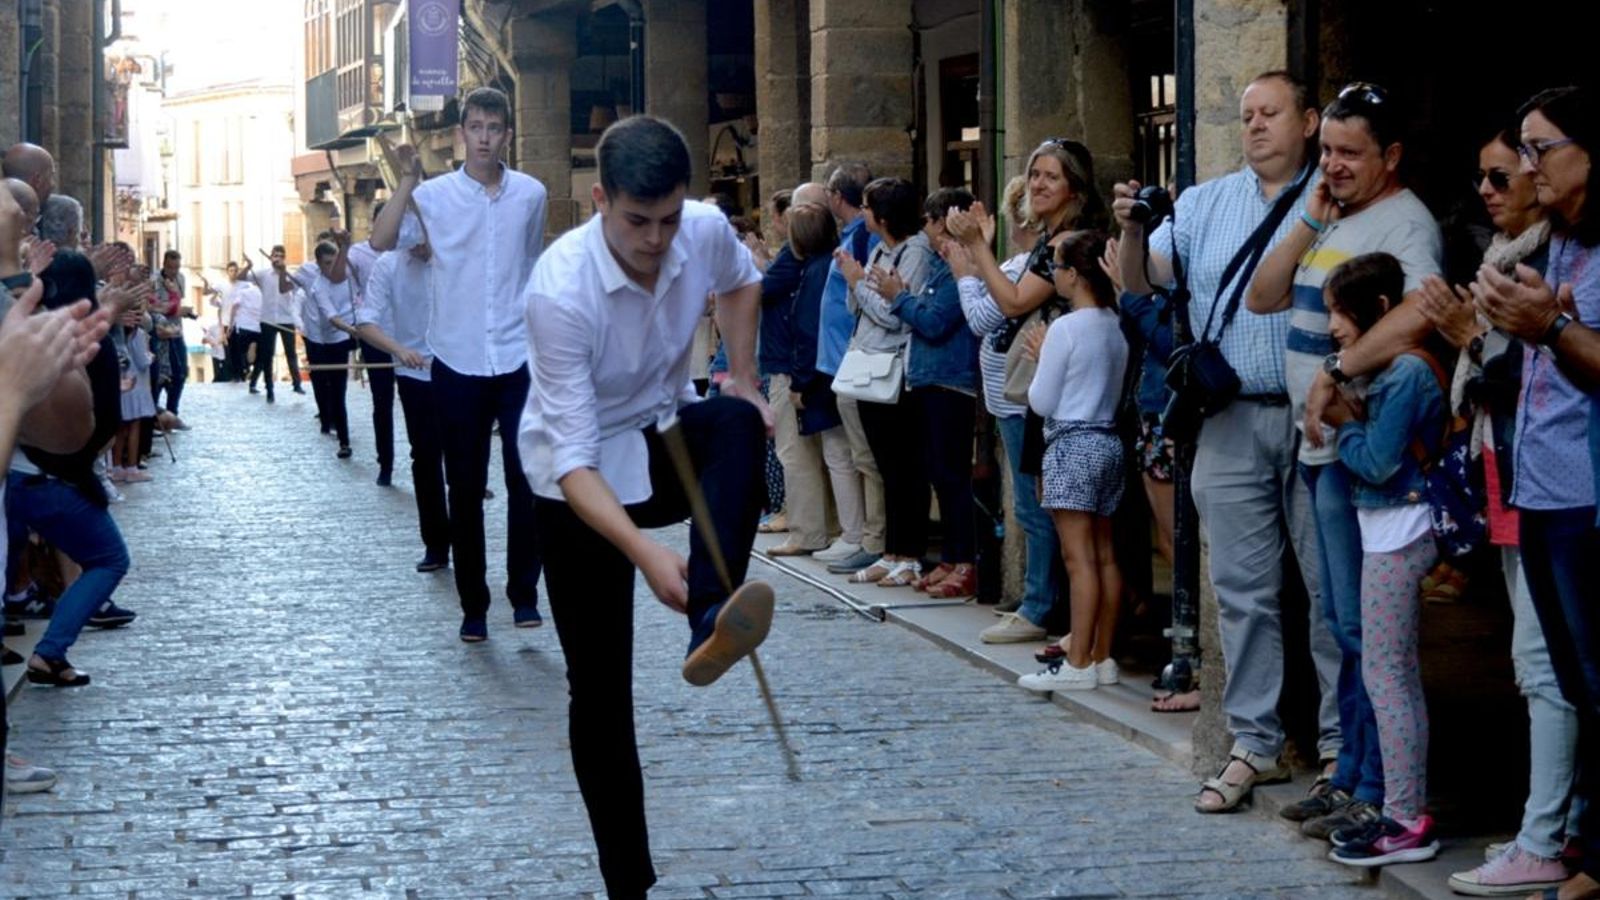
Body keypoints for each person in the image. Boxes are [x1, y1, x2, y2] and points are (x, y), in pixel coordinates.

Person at [518, 114, 773, 900]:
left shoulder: (699, 228)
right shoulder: (559, 292)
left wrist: (744, 375)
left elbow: (741, 281)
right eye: (637, 221)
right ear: (600, 201)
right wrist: (646, 552)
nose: (657, 239)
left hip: (662, 432)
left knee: (735, 422)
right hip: (576, 484)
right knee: (599, 692)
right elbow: (574, 464)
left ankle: (710, 610)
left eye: (668, 219)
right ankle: (628, 882)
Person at [1110, 71, 1343, 813]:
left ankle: (1343, 748)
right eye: (1245, 115)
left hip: (1320, 416)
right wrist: (1133, 224)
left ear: (1308, 121)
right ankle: (1256, 743)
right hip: (1230, 417)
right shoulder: (1205, 202)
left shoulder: (1340, 200)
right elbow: (1140, 281)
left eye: (1270, 113)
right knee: (1242, 593)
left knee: (1331, 589)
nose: (1254, 127)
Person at [1246, 81, 1443, 833]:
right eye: (1326, 149)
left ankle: (1373, 788)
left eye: (1349, 153)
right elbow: (1263, 296)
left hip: (1355, 453)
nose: (1332, 164)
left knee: (1362, 629)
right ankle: (1353, 775)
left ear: (1390, 156)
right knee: (1341, 620)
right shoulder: (1330, 212)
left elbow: (1424, 310)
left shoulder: (1407, 224)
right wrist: (1309, 218)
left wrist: (1336, 370)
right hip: (1319, 450)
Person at [1431, 127, 1573, 897]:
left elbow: (1539, 385)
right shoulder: (1507, 261)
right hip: (1514, 476)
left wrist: (1472, 342)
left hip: (1545, 479)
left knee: (1545, 662)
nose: (1486, 191)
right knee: (1537, 660)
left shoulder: (1549, 264)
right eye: (1481, 177)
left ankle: (1548, 834)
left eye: (1500, 176)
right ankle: (1545, 825)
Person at [1473, 85, 1600, 900]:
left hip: (1587, 493)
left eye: (1538, 147)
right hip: (1543, 487)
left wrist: (1548, 327)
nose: (1525, 167)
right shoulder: (1554, 243)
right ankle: (1583, 838)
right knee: (1578, 680)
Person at [370, 86, 548, 641]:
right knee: (464, 487)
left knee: (528, 481)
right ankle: (474, 604)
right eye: (475, 127)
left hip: (517, 356)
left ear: (507, 135)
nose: (485, 138)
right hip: (456, 358)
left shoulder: (531, 194)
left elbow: (531, 265)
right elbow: (378, 240)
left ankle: (524, 592)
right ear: (460, 135)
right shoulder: (436, 196)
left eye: (494, 128)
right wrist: (405, 179)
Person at [1314, 254, 1444, 867]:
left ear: (1381, 312)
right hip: (1386, 527)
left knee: (1388, 677)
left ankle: (1406, 816)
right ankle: (1400, 809)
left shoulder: (1403, 377)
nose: (1334, 325)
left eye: (1341, 312)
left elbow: (1379, 465)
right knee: (1389, 674)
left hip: (1400, 528)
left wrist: (1344, 425)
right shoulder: (1388, 374)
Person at [948, 139, 1104, 641]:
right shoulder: (1048, 238)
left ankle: (1043, 607)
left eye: (1050, 176)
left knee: (1043, 508)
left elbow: (1014, 301)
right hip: (1043, 381)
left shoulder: (1065, 243)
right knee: (1039, 505)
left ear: (1074, 187)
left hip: (1056, 386)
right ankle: (1046, 605)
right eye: (1034, 174)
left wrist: (975, 249)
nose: (1037, 184)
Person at [1015, 232, 1130, 690]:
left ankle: (1078, 660)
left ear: (1075, 275)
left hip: (1071, 441)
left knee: (1077, 558)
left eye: (1059, 267)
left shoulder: (1066, 327)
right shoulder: (1116, 322)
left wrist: (1043, 358)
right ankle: (1103, 655)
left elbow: (1042, 400)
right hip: (1107, 438)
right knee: (1104, 555)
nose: (1055, 275)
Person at [860, 189, 982, 599]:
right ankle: (951, 556)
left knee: (951, 476)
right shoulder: (942, 267)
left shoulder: (956, 271)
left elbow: (933, 322)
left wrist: (898, 297)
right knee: (940, 474)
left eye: (930, 222)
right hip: (930, 380)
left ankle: (965, 560)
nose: (925, 231)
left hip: (950, 382)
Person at [836, 177, 936, 587]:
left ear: (883, 215)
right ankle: (892, 551)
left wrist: (860, 283)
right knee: (884, 464)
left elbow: (894, 313)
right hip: (868, 360)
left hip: (895, 366)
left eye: (866, 207)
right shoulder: (878, 248)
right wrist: (856, 282)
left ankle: (909, 552)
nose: (862, 214)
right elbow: (861, 306)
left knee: (904, 466)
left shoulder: (915, 253)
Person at [354, 224, 451, 572]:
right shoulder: (389, 265)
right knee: (425, 459)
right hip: (415, 375)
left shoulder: (456, 257)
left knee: (462, 462)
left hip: (460, 371)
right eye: (416, 242)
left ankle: (467, 544)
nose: (423, 248)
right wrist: (400, 349)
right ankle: (437, 544)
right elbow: (366, 322)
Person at [813, 162, 885, 575]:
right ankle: (860, 534)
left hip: (855, 358)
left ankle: (869, 538)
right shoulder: (850, 235)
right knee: (854, 453)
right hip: (844, 358)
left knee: (864, 456)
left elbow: (864, 292)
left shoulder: (859, 236)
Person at [288, 234, 356, 460]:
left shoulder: (348, 277)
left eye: (335, 261)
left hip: (344, 336)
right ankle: (332, 427)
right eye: (327, 263)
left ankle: (343, 439)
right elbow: (332, 317)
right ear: (318, 264)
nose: (332, 267)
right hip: (324, 338)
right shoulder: (318, 287)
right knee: (326, 384)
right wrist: (356, 332)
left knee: (339, 391)